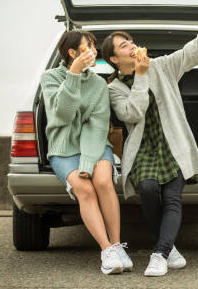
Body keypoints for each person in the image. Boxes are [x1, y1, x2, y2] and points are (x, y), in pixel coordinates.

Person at [101, 4, 198, 277]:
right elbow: (132, 114)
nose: (131, 46)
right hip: (143, 149)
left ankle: (159, 253)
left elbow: (192, 52)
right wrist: (141, 76)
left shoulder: (161, 66)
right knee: (147, 190)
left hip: (173, 145)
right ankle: (170, 248)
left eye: (131, 41)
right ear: (113, 58)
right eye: (124, 45)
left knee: (171, 198)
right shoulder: (114, 88)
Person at [40, 30, 132, 275]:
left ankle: (117, 244)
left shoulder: (99, 83)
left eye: (94, 45)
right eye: (88, 46)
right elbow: (62, 115)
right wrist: (72, 75)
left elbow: (98, 125)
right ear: (72, 52)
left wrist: (89, 162)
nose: (94, 50)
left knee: (102, 182)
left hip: (95, 145)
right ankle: (106, 251)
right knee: (85, 189)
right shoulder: (50, 78)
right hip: (64, 148)